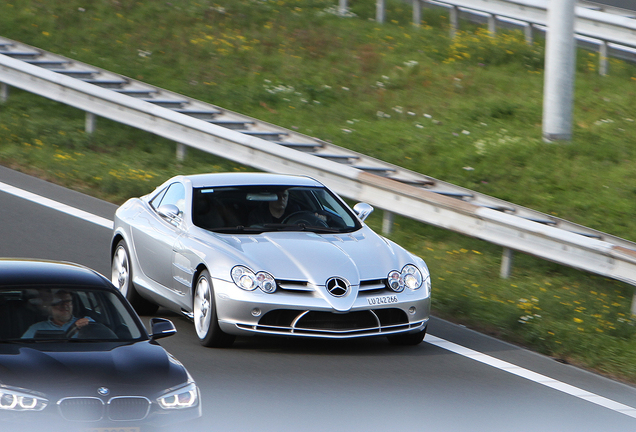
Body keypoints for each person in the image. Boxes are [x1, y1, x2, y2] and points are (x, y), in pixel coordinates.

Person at [22, 290, 92, 338]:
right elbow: (23, 347)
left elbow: (100, 332)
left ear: (72, 305)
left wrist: (88, 324)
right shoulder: (36, 328)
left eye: (68, 301)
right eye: (59, 302)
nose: (64, 305)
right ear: (50, 307)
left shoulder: (86, 322)